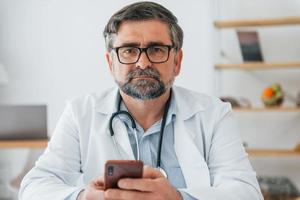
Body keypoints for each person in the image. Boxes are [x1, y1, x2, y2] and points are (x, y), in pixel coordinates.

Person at [19, 1, 263, 200]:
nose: (143, 63)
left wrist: (178, 198)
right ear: (110, 62)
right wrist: (84, 197)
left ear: (177, 61)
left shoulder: (214, 114)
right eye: (129, 50)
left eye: (156, 49)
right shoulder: (79, 113)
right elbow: (34, 187)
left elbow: (247, 193)